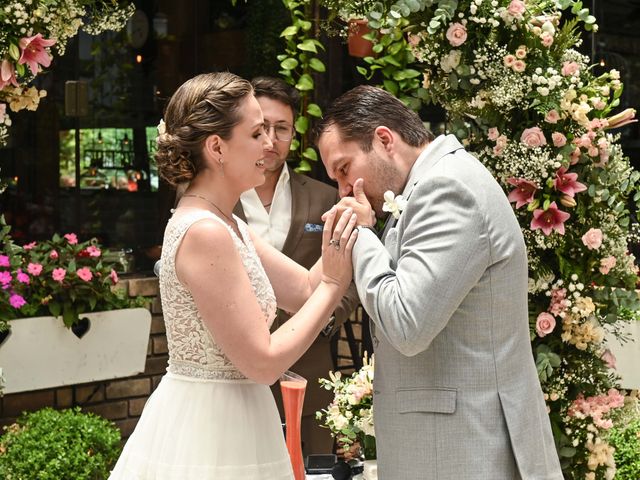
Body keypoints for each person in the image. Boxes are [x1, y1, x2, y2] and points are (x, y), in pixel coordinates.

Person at [108, 72, 358, 479]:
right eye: (257, 132)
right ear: (217, 147)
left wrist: (348, 222)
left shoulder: (226, 223)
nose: (269, 144)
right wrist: (333, 287)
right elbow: (263, 363)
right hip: (212, 428)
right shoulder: (206, 232)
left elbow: (305, 288)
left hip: (243, 415)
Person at [315, 85, 563, 480]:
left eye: (344, 169)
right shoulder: (427, 185)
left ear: (383, 139)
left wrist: (362, 233)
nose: (343, 189)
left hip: (467, 448)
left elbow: (407, 323)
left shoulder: (447, 189)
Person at [233, 76, 360, 454]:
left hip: (311, 367)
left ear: (294, 134)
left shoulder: (324, 197)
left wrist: (323, 320)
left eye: (282, 128)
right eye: (261, 128)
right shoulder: (219, 201)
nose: (271, 140)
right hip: (240, 371)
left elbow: (347, 275)